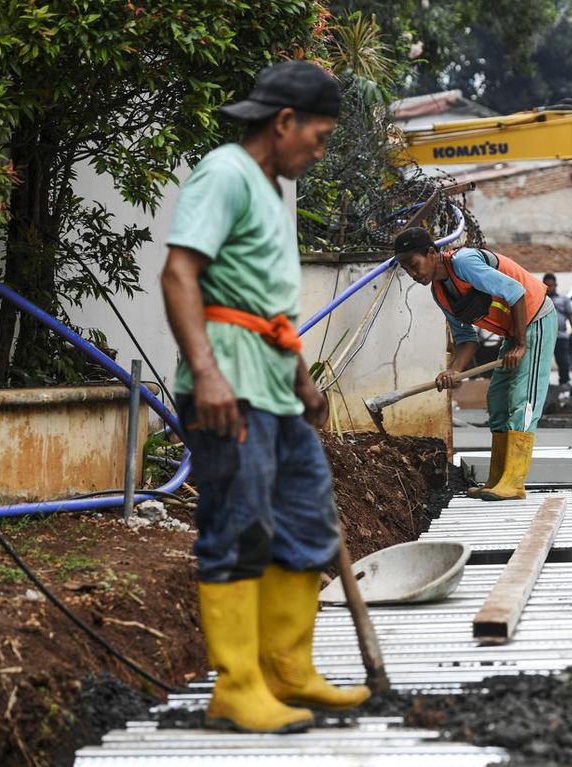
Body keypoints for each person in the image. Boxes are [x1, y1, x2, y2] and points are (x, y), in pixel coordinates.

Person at [160, 60, 370, 735]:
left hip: (276, 392)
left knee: (308, 523)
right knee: (239, 528)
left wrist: (303, 377)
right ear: (284, 122)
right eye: (321, 135)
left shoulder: (271, 189)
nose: (321, 149)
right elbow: (179, 274)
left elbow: (267, 307)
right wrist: (208, 372)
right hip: (229, 389)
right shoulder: (225, 173)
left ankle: (289, 671)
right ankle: (237, 684)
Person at [394, 228, 557, 501]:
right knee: (497, 399)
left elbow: (515, 292)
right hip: (514, 332)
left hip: (536, 318)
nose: (413, 274)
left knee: (522, 398)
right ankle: (497, 479)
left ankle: (514, 483)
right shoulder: (440, 292)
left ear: (432, 253)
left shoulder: (464, 263)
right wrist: (453, 371)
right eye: (407, 270)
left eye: (414, 265)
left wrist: (520, 344)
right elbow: (466, 339)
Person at [542, 273, 572, 388]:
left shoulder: (563, 299)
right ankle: (543, 386)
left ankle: (564, 384)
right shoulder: (540, 299)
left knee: (563, 362)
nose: (549, 288)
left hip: (561, 337)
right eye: (546, 286)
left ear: (556, 285)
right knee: (543, 364)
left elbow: (571, 316)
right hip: (545, 338)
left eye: (551, 285)